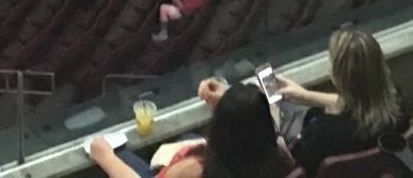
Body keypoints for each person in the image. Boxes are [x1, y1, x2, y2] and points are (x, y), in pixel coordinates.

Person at [259, 27, 408, 170]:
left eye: (330, 59)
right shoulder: (397, 105)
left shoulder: (325, 133)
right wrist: (305, 95)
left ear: (339, 76)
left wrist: (275, 128)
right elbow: (356, 101)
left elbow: (295, 169)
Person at [86, 75, 291, 178]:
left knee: (115, 152)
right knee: (186, 134)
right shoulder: (281, 158)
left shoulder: (195, 170)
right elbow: (251, 120)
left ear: (220, 129)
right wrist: (229, 103)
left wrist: (107, 158)